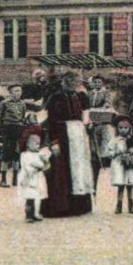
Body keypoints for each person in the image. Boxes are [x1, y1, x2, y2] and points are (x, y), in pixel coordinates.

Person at [42, 72, 94, 218]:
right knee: (62, 170)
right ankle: (63, 207)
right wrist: (54, 142)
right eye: (68, 80)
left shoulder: (80, 96)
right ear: (62, 82)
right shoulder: (56, 97)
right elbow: (51, 121)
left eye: (74, 80)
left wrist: (87, 125)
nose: (71, 83)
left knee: (79, 168)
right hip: (63, 135)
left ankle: (80, 205)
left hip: (78, 136)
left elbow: (85, 114)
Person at [0, 84, 31, 188]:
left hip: (18, 130)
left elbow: (23, 117)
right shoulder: (4, 103)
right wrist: (1, 130)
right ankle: (3, 179)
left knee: (16, 154)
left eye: (20, 90)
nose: (19, 93)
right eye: (16, 91)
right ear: (10, 93)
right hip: (7, 130)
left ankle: (15, 179)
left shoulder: (22, 104)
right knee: (6, 154)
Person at [106, 117, 133, 214]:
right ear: (117, 129)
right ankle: (119, 205)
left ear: (129, 128)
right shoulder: (115, 140)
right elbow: (109, 150)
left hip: (130, 163)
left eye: (125, 128)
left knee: (130, 185)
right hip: (120, 163)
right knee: (121, 185)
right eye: (120, 128)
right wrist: (115, 153)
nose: (123, 130)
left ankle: (131, 206)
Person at [16, 131, 53, 224]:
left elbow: (44, 166)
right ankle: (28, 214)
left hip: (36, 177)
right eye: (35, 143)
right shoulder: (25, 155)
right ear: (28, 144)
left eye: (39, 144)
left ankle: (34, 213)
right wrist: (41, 163)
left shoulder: (37, 154)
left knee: (37, 196)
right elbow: (32, 165)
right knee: (30, 197)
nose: (38, 146)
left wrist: (45, 161)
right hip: (28, 178)